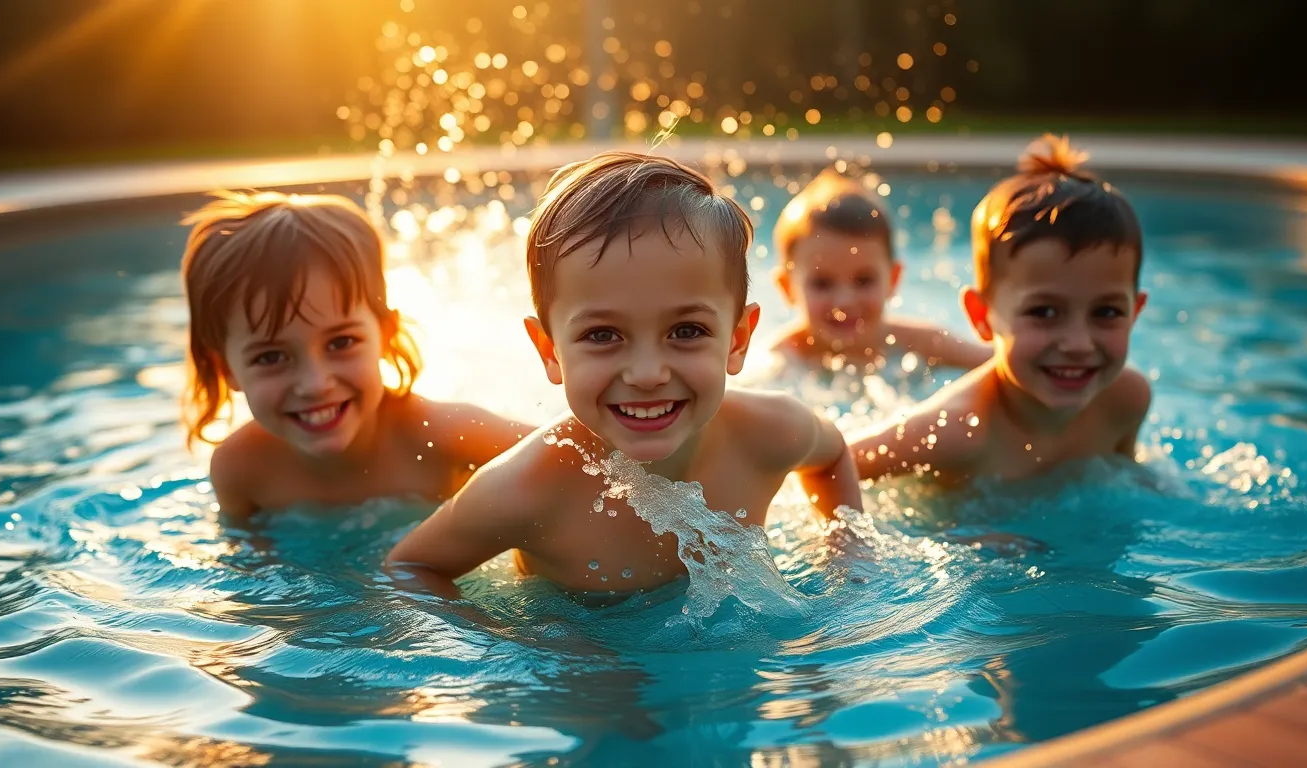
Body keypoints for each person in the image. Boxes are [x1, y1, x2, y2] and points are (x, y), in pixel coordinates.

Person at [387, 152, 861, 597]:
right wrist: (530, 643)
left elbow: (833, 453)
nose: (648, 373)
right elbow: (409, 569)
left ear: (737, 340)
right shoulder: (525, 489)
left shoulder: (770, 431)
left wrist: (848, 558)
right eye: (602, 336)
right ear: (550, 352)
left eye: (686, 330)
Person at [181, 191, 530, 518]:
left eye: (340, 343)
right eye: (271, 357)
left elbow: (574, 455)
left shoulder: (447, 436)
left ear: (385, 333)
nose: (315, 384)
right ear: (225, 368)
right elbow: (249, 571)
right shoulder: (241, 468)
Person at [849, 135, 1150, 486]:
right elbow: (828, 466)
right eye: (1045, 312)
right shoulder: (957, 431)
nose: (1079, 343)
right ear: (981, 316)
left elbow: (1122, 472)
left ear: (1135, 312)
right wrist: (849, 541)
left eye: (1107, 312)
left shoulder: (1125, 399)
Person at [768, 170, 989, 374]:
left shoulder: (923, 344)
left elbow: (997, 364)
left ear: (893, 280)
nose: (844, 302)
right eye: (822, 284)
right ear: (787, 288)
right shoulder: (781, 361)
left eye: (863, 281)